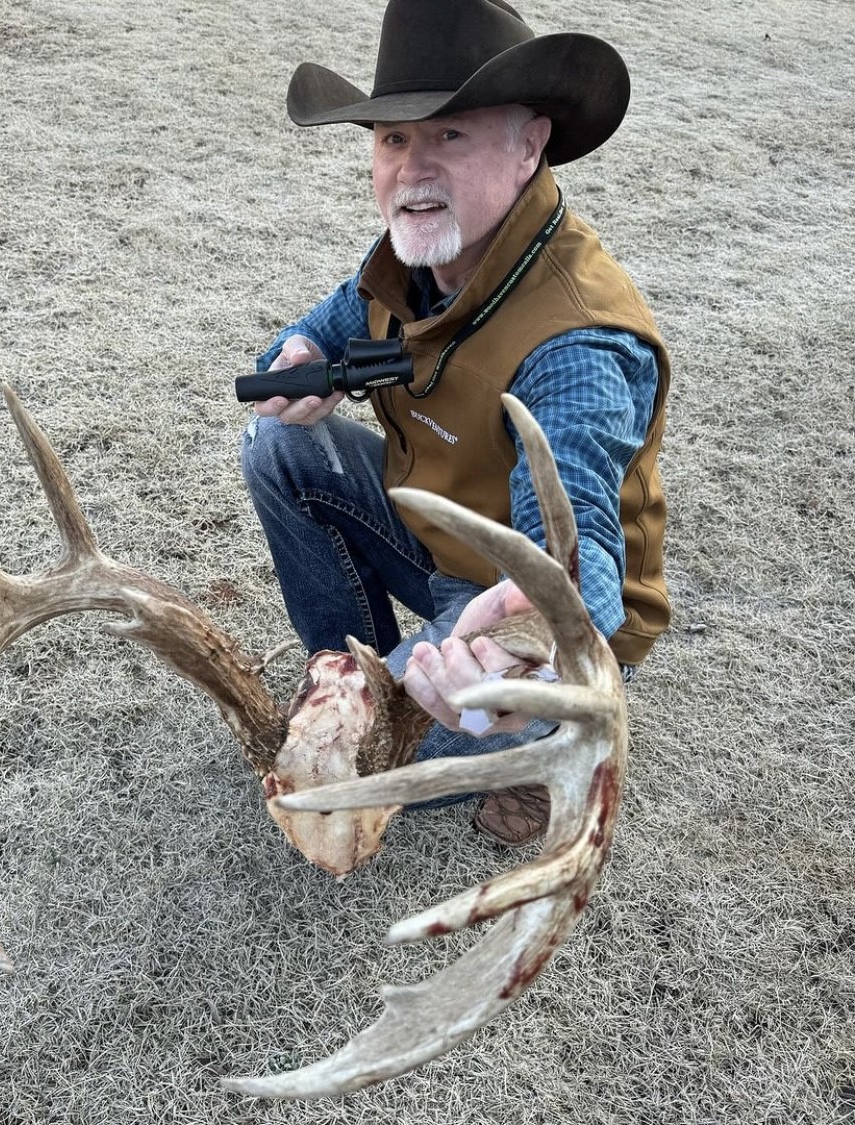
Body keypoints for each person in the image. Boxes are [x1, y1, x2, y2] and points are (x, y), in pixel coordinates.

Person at [240, 0, 670, 845]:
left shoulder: (576, 341)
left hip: (516, 610)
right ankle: (347, 673)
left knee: (329, 777)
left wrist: (520, 644)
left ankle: (554, 734)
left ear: (528, 145)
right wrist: (295, 355)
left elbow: (574, 563)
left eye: (450, 136)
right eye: (393, 139)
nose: (412, 168)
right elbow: (321, 330)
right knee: (280, 443)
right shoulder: (415, 263)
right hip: (440, 545)